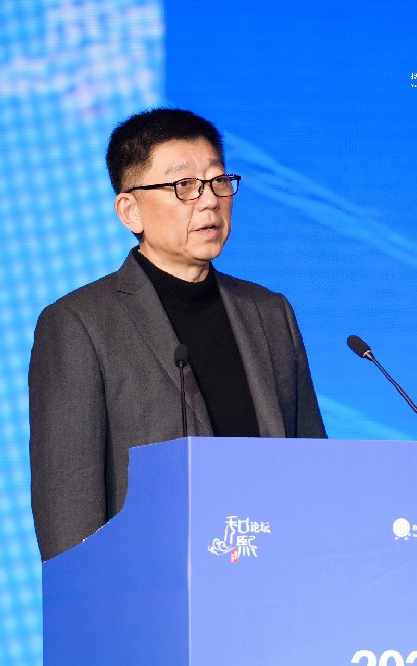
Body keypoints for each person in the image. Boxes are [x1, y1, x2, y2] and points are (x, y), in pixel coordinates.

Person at [29, 108, 326, 561]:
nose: (209, 201)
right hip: (147, 588)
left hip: (275, 582)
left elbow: (314, 470)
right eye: (184, 185)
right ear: (130, 210)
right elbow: (68, 507)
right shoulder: (80, 324)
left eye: (218, 181)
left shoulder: (269, 313)